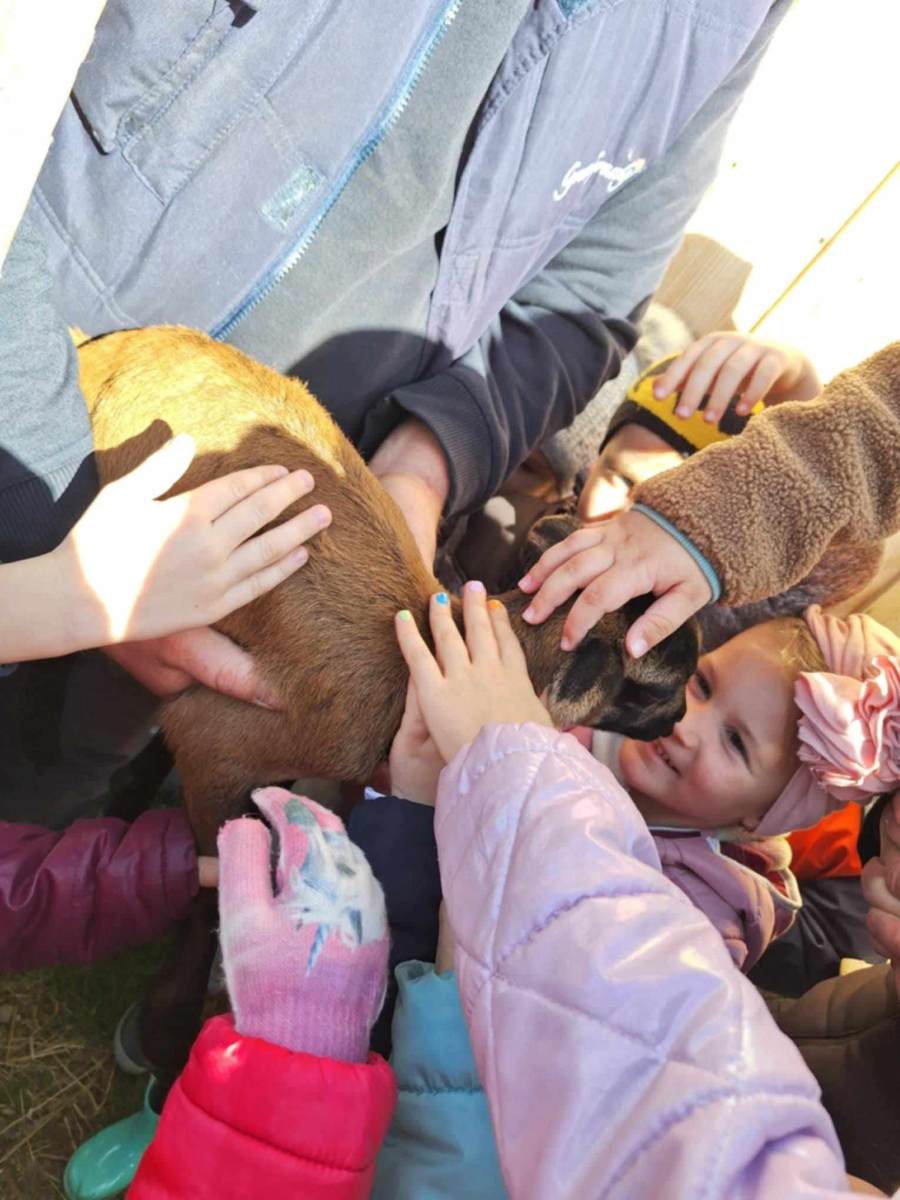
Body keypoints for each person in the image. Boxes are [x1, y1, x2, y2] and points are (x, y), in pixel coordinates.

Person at [18, 0, 792, 710]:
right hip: (35, 404)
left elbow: (588, 289)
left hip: (229, 578)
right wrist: (74, 564)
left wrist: (425, 465)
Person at [91, 590, 890, 1199]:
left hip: (422, 1059)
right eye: (705, 685)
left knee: (306, 1078)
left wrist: (421, 812)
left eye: (736, 743)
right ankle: (189, 1098)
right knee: (261, 988)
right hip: (376, 913)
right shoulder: (577, 726)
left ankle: (214, 1113)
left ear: (759, 818)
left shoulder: (695, 927)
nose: (688, 723)